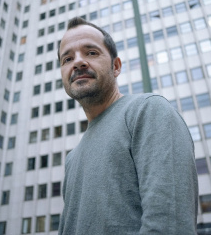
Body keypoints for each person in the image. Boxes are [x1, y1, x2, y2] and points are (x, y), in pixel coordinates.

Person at [58, 17, 198, 235]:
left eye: (91, 53)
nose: (77, 62)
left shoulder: (148, 111)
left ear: (116, 66)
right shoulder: (71, 159)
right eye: (67, 59)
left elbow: (169, 225)